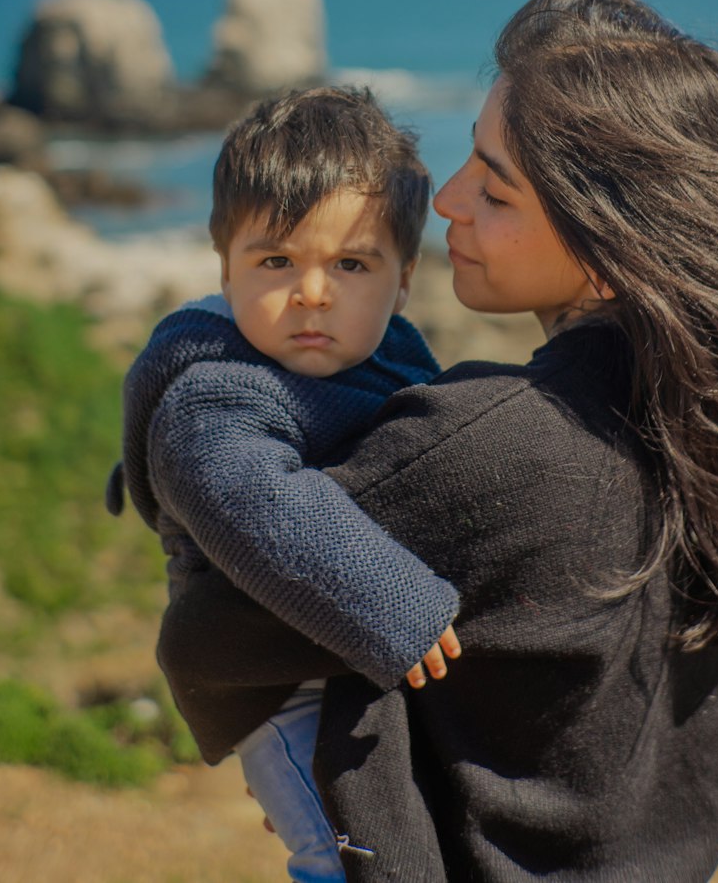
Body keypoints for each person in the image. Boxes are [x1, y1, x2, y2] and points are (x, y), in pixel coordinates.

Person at [155, 0, 718, 882]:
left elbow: (205, 640)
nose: (449, 202)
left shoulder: (504, 445)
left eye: (496, 192)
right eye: (470, 157)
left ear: (613, 243)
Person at [107, 87, 462, 882]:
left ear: (403, 281)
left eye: (351, 264)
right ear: (225, 271)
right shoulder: (218, 392)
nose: (312, 293)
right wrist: (394, 597)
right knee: (342, 859)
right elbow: (250, 498)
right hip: (275, 684)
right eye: (276, 261)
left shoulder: (388, 347)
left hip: (338, 655)